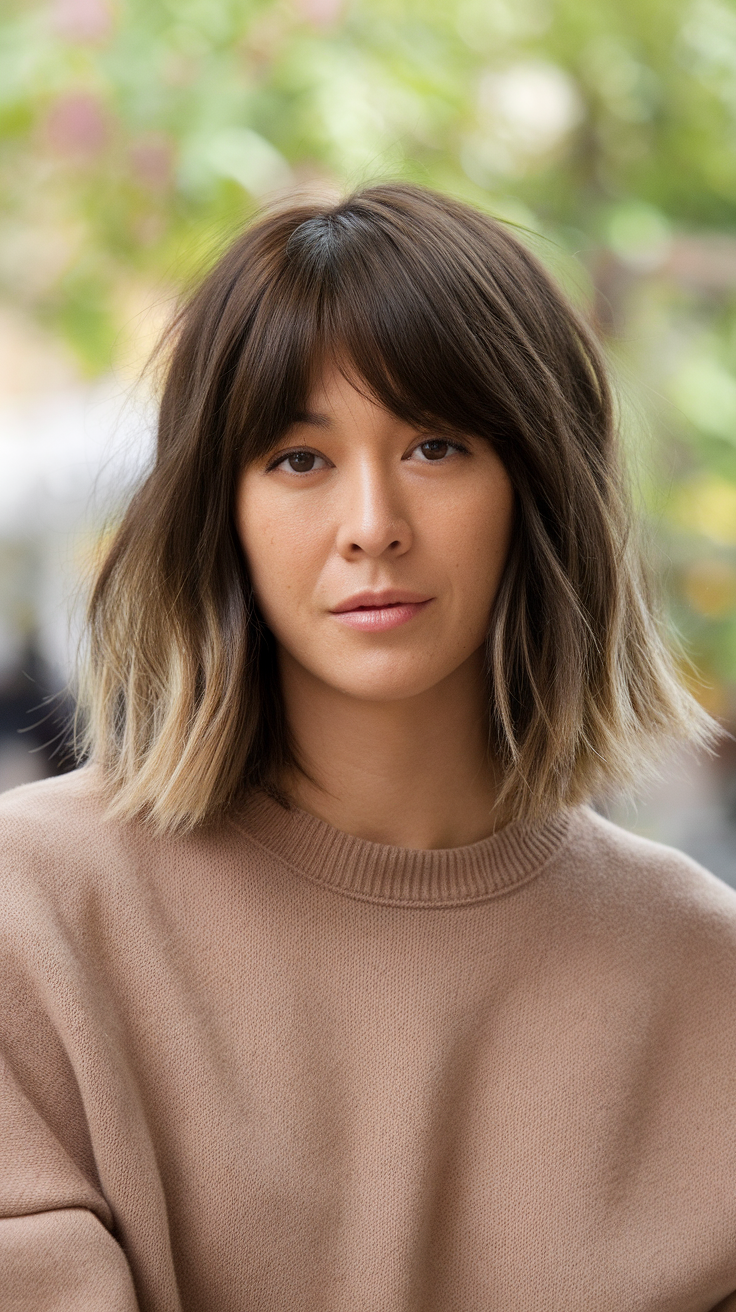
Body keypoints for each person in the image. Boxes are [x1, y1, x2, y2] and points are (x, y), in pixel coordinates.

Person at [1, 183, 735, 1312]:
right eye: (299, 459)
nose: (372, 522)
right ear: (222, 511)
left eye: (436, 445)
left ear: (534, 483)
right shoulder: (33, 910)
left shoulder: (704, 976)